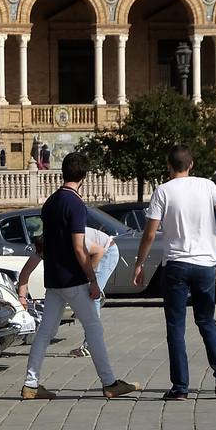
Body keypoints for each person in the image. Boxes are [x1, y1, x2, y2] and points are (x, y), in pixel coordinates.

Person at [17, 152, 139, 401]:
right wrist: (92, 280)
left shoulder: (50, 203)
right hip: (73, 278)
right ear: (84, 176)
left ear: (63, 172)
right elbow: (78, 246)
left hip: (54, 278)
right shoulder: (75, 204)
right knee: (93, 327)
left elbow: (45, 243)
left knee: (45, 331)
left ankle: (31, 383)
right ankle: (109, 382)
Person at [132, 144, 216, 401]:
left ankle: (181, 386)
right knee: (207, 321)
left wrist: (140, 262)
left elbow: (149, 232)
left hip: (177, 264)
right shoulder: (207, 186)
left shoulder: (163, 191)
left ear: (169, 167)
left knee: (176, 326)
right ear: (191, 165)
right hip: (205, 264)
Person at [65, 225, 118, 359]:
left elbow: (99, 251)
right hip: (98, 251)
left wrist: (90, 280)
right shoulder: (61, 235)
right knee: (90, 296)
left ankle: (91, 345)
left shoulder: (73, 236)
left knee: (92, 297)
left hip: (107, 251)